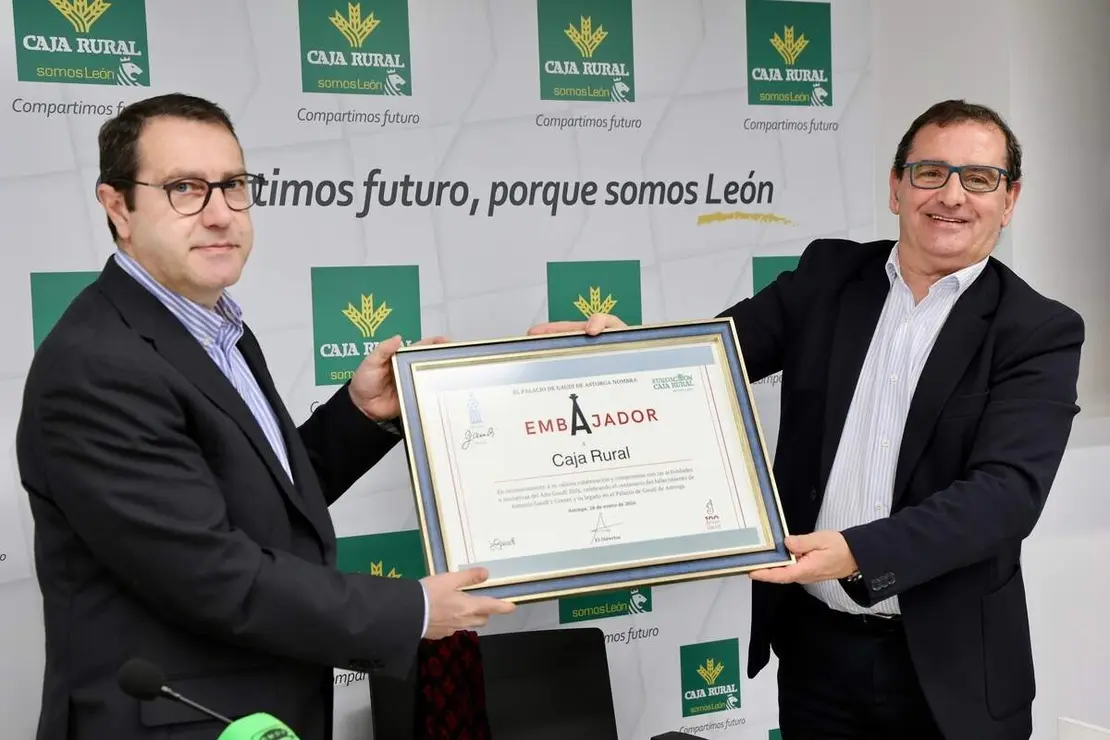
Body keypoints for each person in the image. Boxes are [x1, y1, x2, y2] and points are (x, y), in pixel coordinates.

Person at [528, 99, 1084, 739]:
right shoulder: (828, 277)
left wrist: (855, 553)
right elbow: (709, 360)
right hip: (818, 653)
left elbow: (1005, 497)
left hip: (952, 669)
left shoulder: (1037, 329)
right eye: (930, 172)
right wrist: (621, 354)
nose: (952, 194)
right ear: (896, 187)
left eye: (979, 179)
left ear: (1008, 200)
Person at [15, 93, 515, 740]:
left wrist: (361, 414)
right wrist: (412, 609)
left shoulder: (214, 330)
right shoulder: (96, 364)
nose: (220, 213)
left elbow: (254, 499)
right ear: (119, 207)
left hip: (258, 713)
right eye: (185, 189)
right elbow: (210, 573)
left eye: (234, 186)